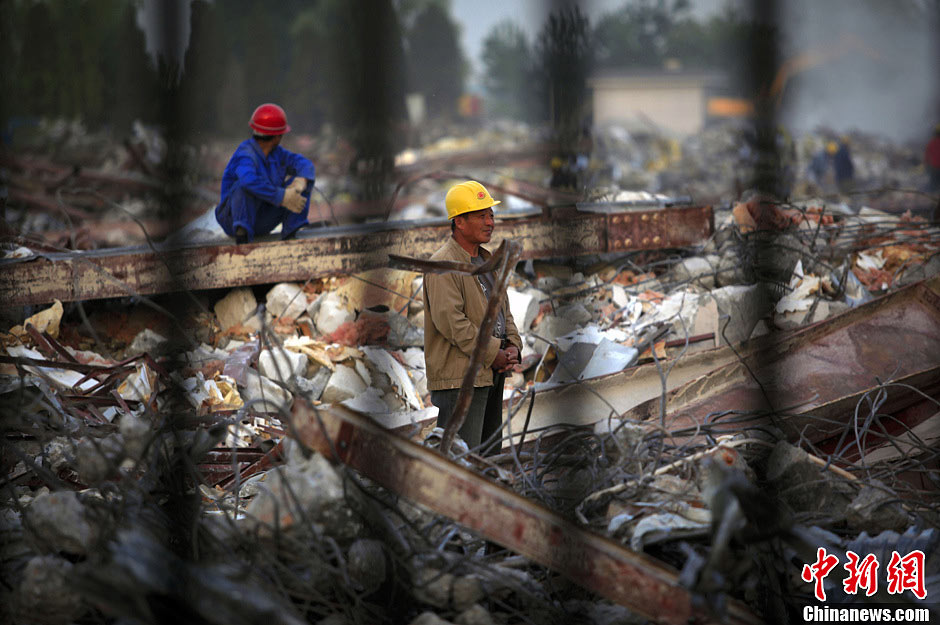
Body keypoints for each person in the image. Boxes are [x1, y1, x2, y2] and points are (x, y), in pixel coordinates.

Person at [423, 180, 523, 455]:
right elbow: (453, 325)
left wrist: (513, 345)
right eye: (482, 215)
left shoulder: (487, 262)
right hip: (461, 380)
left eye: (491, 214)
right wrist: (494, 353)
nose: (490, 222)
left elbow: (504, 311)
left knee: (489, 458)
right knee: (464, 462)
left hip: (489, 374)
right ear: (459, 222)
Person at [215, 103, 316, 244]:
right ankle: (242, 236)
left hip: (261, 219)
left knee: (305, 182)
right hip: (234, 220)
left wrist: (300, 182)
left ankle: (291, 233)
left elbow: (305, 164)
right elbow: (248, 180)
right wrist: (281, 197)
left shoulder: (278, 154)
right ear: (277, 136)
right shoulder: (246, 154)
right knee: (243, 187)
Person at [925, 124, 940, 192]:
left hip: (934, 168)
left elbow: (927, 156)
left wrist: (927, 166)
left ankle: (934, 200)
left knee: (934, 187)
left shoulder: (931, 143)